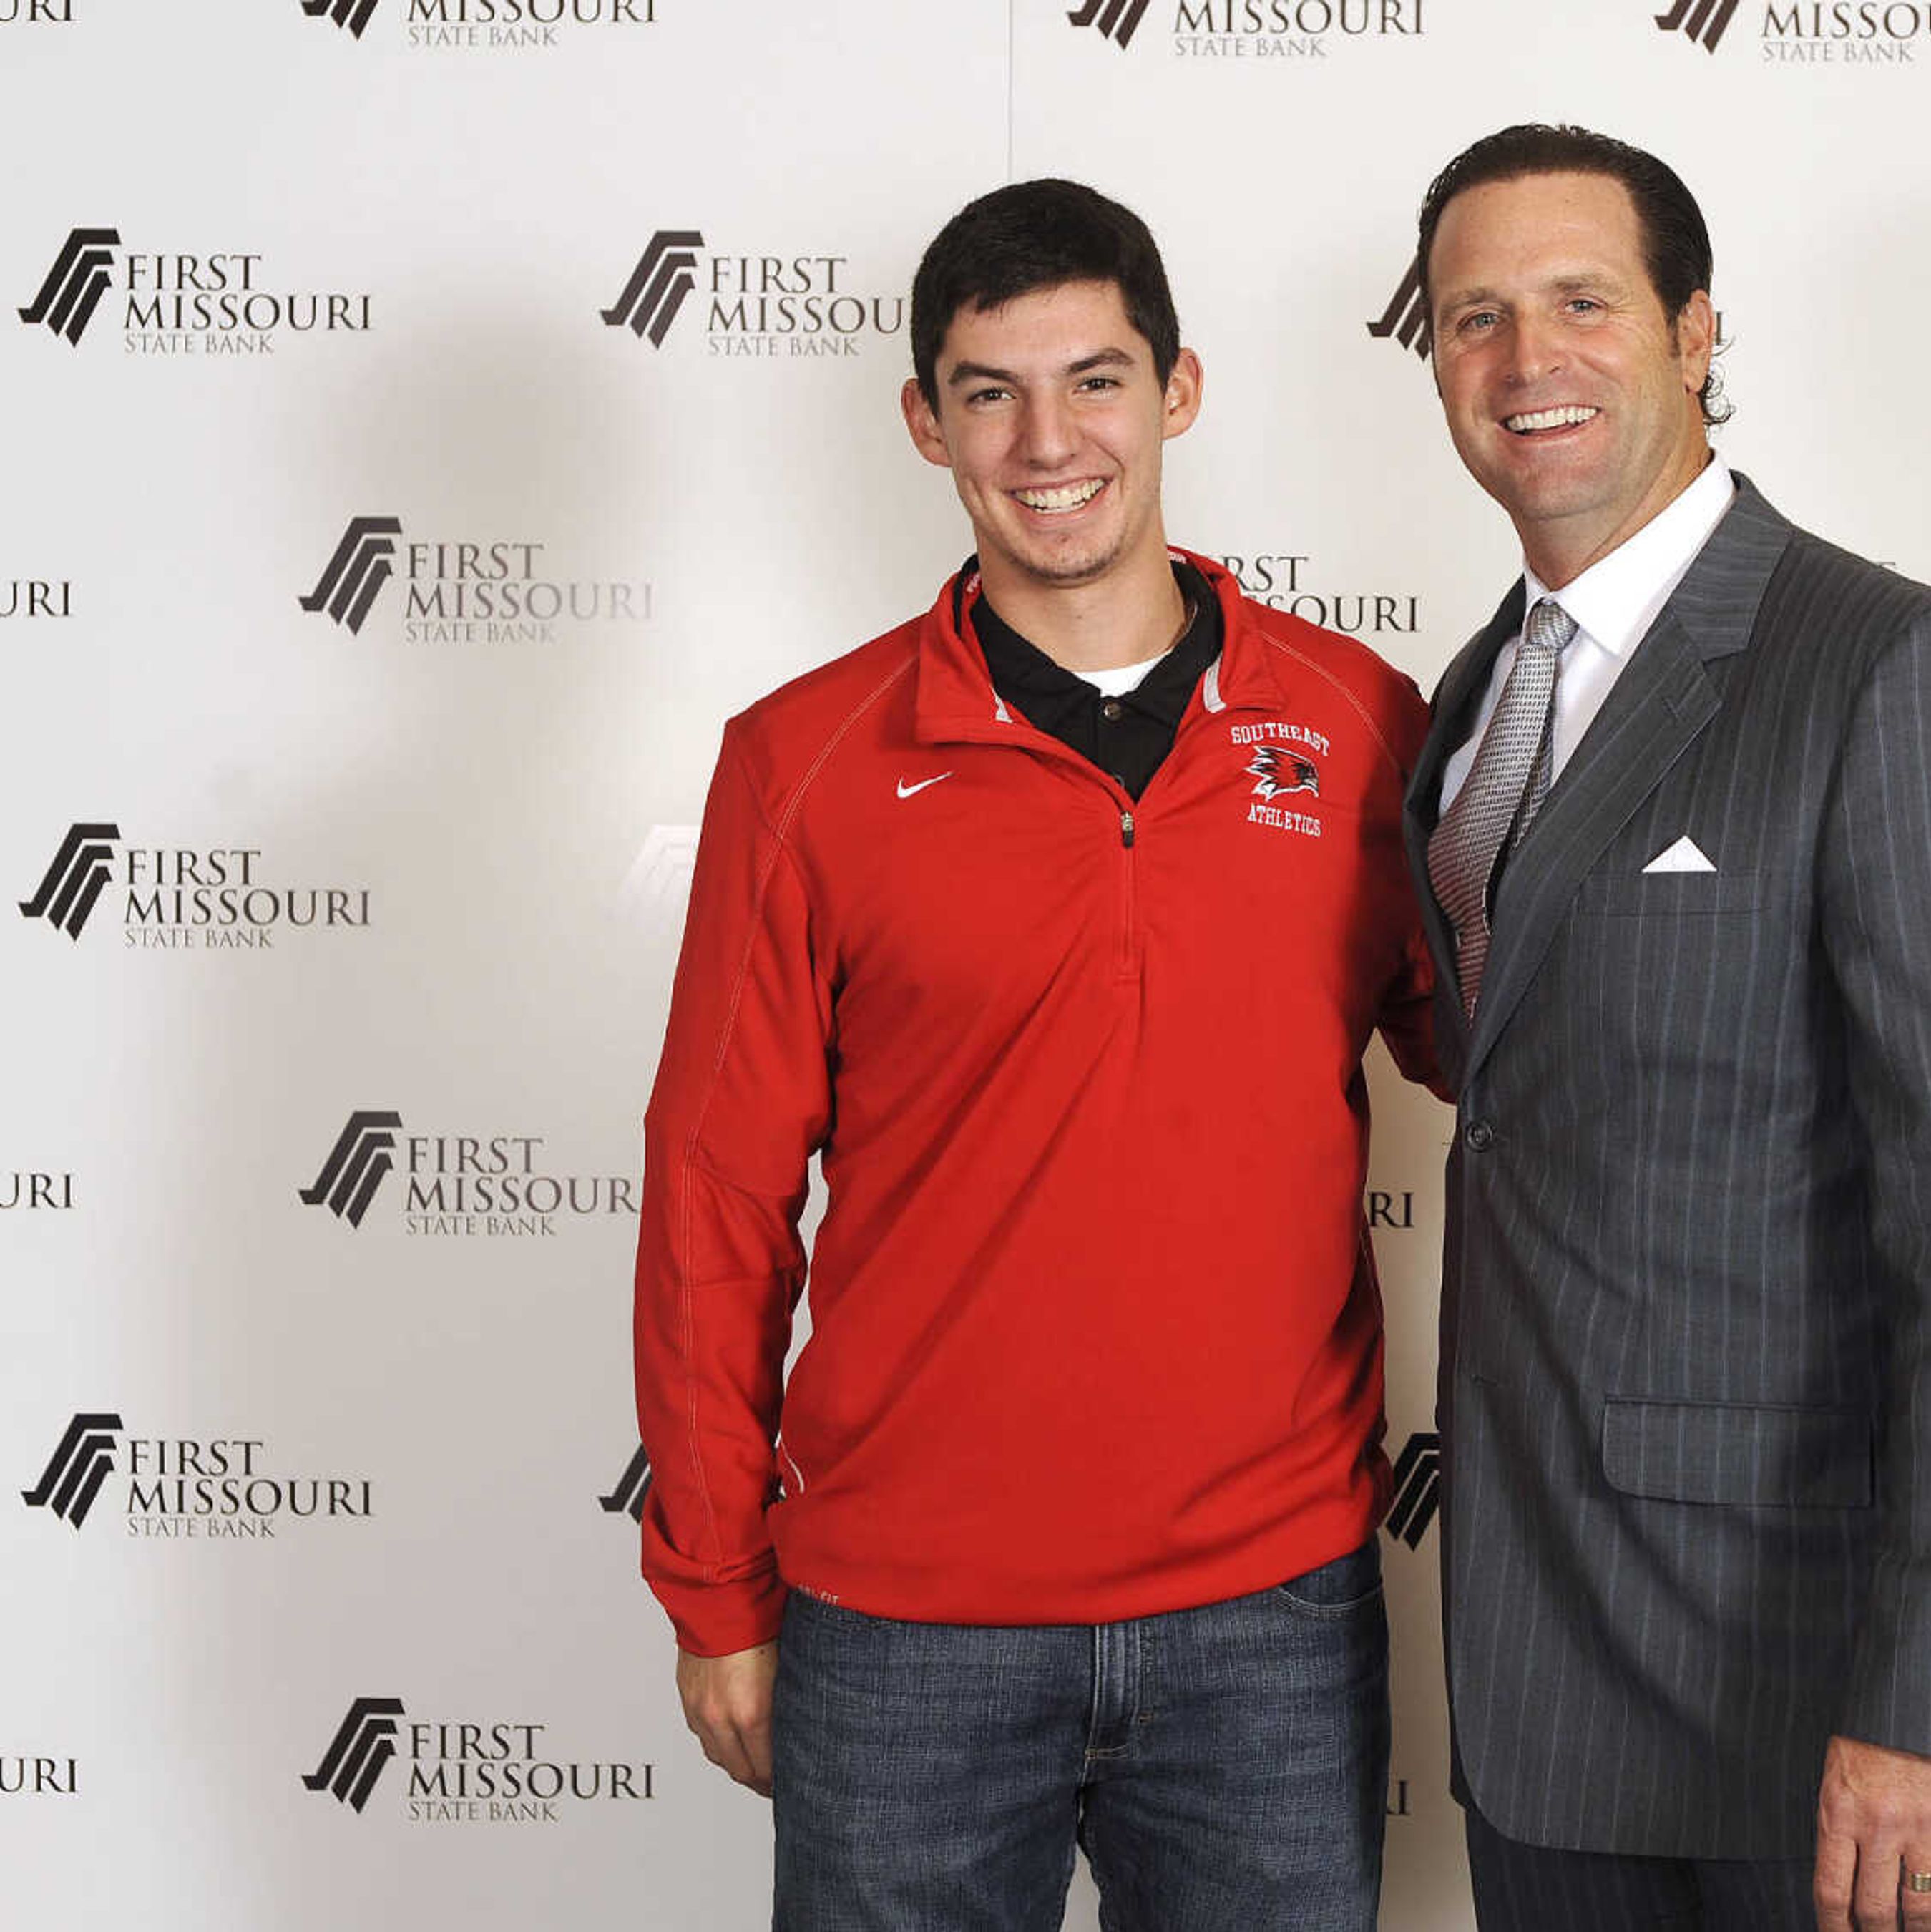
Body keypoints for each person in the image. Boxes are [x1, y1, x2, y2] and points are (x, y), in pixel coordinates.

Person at [632, 177, 1437, 1932]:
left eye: (1095, 379)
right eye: (990, 391)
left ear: (1181, 390)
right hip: (905, 1628)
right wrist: (711, 1585)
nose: (1047, 439)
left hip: (1269, 1623)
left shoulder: (1361, 720)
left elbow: (1522, 1064)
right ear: (926, 422)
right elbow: (716, 1201)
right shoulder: (804, 763)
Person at [1402, 125, 1931, 1932]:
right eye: (1474, 318)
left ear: (1697, 329)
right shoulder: (1479, 699)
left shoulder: (1896, 669)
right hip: (1539, 1690)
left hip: (1816, 1716)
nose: (1523, 361)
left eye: (1581, 301)